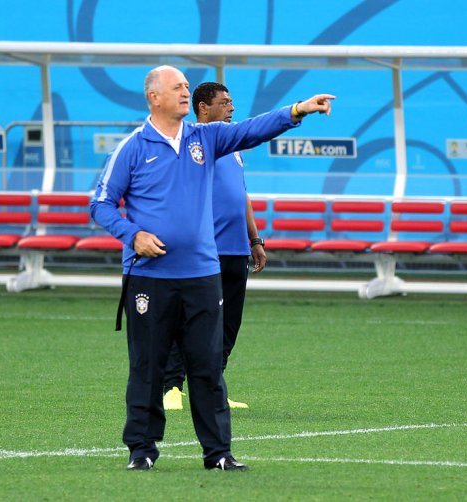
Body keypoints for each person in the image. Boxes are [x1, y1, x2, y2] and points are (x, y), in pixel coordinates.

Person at [90, 65, 334, 472]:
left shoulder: (206, 137)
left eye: (187, 86)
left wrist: (298, 110)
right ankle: (142, 448)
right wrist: (132, 236)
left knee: (207, 366)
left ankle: (218, 452)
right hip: (150, 277)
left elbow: (253, 130)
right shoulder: (133, 147)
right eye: (178, 87)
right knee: (147, 366)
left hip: (202, 275)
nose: (186, 91)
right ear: (154, 97)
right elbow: (100, 203)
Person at [162, 82, 264, 412]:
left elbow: (241, 193)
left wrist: (255, 238)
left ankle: (213, 387)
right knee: (189, 319)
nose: (232, 108)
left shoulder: (233, 147)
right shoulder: (192, 144)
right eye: (224, 102)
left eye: (232, 102)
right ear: (203, 108)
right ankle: (173, 386)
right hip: (205, 250)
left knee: (228, 324)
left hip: (236, 249)